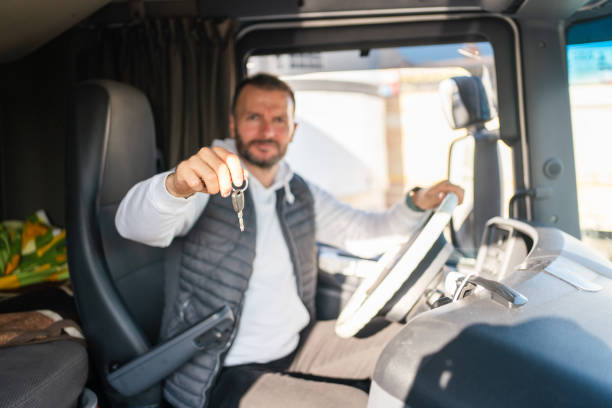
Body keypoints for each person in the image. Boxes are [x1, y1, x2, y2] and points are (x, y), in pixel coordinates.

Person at [115, 73, 464, 408]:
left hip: (298, 343)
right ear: (234, 124)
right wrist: (176, 186)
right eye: (254, 117)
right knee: (354, 404)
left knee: (414, 346)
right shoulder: (208, 183)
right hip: (221, 369)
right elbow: (135, 226)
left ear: (293, 130)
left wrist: (415, 204)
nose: (268, 130)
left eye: (279, 120)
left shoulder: (299, 191)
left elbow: (365, 233)